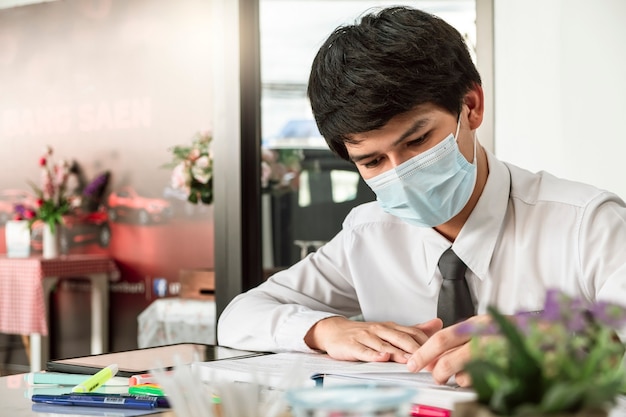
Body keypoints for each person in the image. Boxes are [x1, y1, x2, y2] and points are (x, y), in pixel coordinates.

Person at [217, 6, 626, 387]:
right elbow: (239, 317)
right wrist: (326, 330)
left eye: (417, 141)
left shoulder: (587, 223)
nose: (401, 174)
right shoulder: (369, 234)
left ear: (471, 106)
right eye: (373, 160)